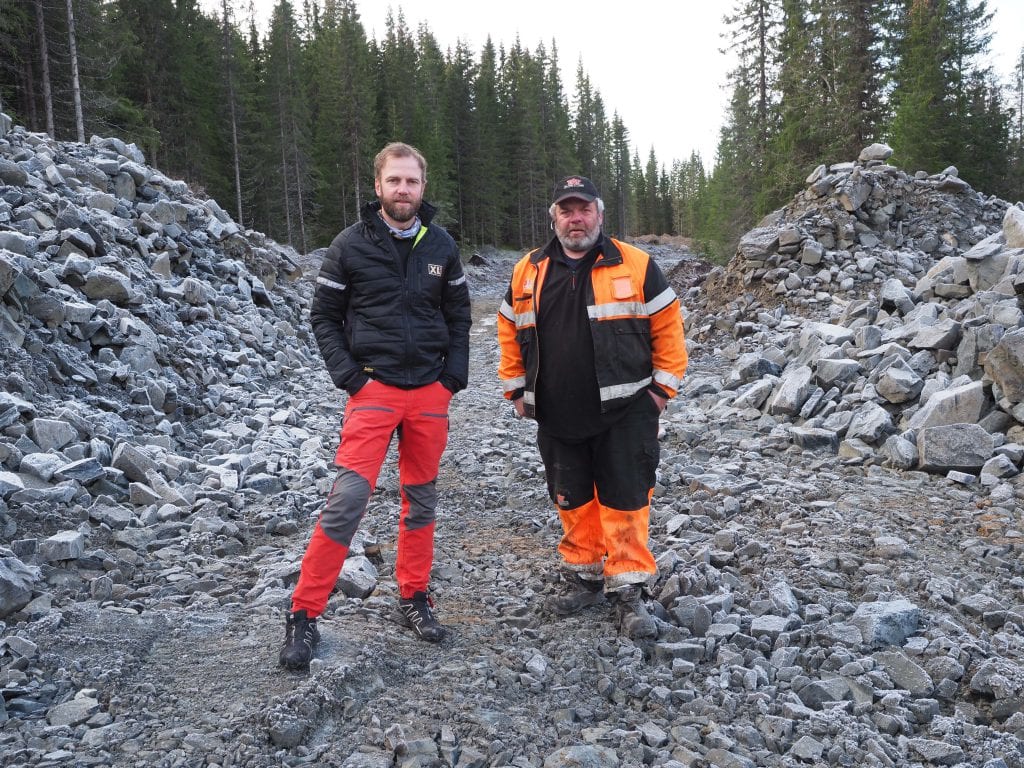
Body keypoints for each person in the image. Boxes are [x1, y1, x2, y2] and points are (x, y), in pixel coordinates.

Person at [279, 142, 471, 669]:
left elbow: (458, 316)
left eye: (412, 182)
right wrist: (350, 379)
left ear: (422, 187)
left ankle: (413, 598)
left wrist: (452, 377)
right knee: (346, 501)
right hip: (374, 389)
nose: (403, 190)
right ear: (378, 186)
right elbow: (323, 318)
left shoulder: (442, 246)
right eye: (394, 181)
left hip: (429, 391)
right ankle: (303, 614)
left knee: (421, 501)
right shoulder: (349, 245)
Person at [497, 175, 687, 640]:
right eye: (566, 210)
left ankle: (627, 590)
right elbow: (507, 329)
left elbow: (668, 329)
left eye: (583, 209)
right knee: (572, 498)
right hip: (558, 413)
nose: (575, 218)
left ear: (600, 214)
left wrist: (661, 392)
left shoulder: (637, 264)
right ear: (554, 217)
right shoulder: (529, 269)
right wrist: (516, 391)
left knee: (626, 499)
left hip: (626, 411)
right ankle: (583, 574)